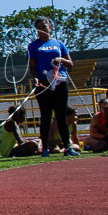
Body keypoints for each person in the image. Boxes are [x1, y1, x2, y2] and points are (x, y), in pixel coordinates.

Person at [26, 17, 79, 157]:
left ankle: (68, 147)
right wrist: (35, 78)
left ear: (49, 26)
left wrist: (60, 60)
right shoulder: (33, 46)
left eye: (44, 26)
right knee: (46, 116)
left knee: (61, 115)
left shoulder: (58, 43)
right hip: (44, 83)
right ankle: (45, 148)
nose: (42, 29)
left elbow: (70, 63)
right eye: (38, 27)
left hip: (60, 81)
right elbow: (32, 67)